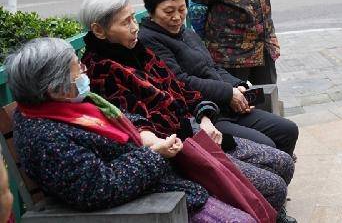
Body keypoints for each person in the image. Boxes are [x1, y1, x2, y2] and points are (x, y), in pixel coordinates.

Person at [78, 0, 296, 222]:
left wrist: (204, 117)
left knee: (282, 161)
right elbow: (144, 128)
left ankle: (270, 213)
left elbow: (181, 89)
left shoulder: (138, 50)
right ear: (99, 30)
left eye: (133, 18)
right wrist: (197, 127)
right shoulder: (102, 74)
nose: (134, 27)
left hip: (199, 129)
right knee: (273, 184)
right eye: (126, 22)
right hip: (179, 152)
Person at [5, 37, 253, 221]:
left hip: (164, 178)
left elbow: (125, 118)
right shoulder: (46, 138)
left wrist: (147, 136)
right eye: (76, 69)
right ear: (54, 88)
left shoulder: (68, 106)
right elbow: (100, 187)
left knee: (255, 194)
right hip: (152, 202)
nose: (83, 71)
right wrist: (155, 154)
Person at [140, 0, 298, 155]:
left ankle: (279, 178)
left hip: (227, 106)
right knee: (266, 145)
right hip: (205, 114)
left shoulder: (186, 33)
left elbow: (212, 66)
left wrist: (239, 85)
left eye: (182, 9)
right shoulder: (149, 40)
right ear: (151, 11)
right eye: (168, 12)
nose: (177, 17)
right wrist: (228, 92)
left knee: (288, 130)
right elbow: (180, 81)